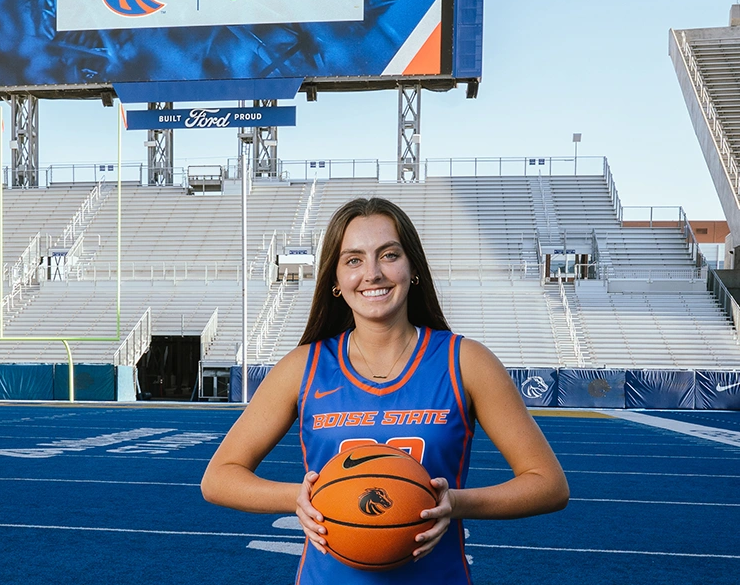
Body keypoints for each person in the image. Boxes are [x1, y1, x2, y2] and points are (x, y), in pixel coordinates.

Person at [201, 197, 569, 583]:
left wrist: (455, 502)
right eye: (354, 260)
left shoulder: (466, 362)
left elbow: (549, 484)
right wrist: (304, 498)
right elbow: (219, 478)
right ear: (335, 281)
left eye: (389, 255)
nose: (372, 273)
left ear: (413, 269)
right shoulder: (302, 367)